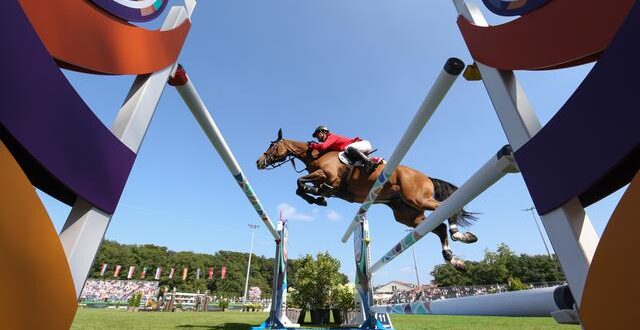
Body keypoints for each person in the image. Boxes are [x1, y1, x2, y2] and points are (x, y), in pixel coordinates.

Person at [308, 125, 381, 173]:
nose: (317, 138)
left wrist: (312, 145)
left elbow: (322, 147)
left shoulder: (331, 137)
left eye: (317, 135)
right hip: (356, 150)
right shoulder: (330, 144)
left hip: (363, 144)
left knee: (347, 148)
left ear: (323, 132)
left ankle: (369, 163)